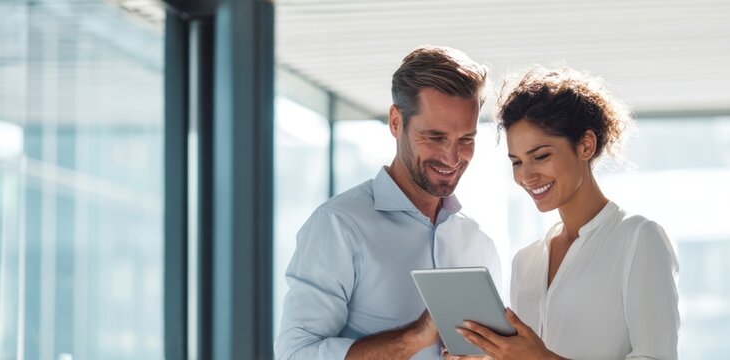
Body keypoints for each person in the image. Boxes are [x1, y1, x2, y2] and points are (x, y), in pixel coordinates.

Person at [275, 46, 503, 360]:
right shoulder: (340, 225)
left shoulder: (478, 243)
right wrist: (412, 339)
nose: (452, 158)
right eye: (435, 137)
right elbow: (295, 354)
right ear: (396, 122)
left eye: (466, 139)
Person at [454, 66, 679, 359]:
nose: (527, 176)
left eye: (541, 156)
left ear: (586, 145)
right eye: (517, 162)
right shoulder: (526, 262)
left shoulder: (638, 239)